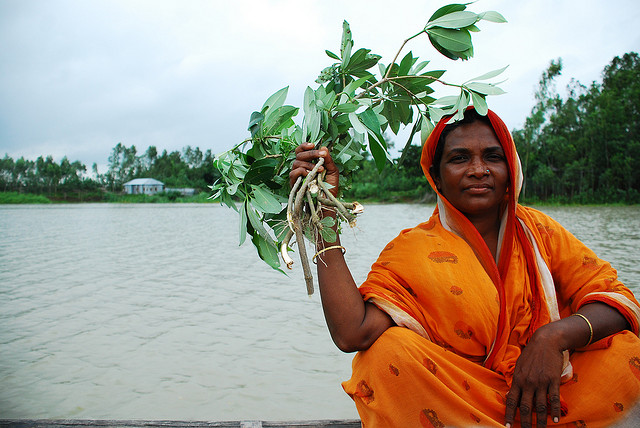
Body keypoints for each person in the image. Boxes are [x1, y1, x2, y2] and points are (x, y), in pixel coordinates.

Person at [289, 107, 640, 427]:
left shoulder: (540, 232)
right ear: (436, 177)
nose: (478, 170)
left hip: (549, 396)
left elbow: (617, 300)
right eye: (459, 158)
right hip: (458, 405)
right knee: (382, 356)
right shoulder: (413, 249)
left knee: (627, 351)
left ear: (510, 169)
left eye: (493, 156)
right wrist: (325, 218)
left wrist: (552, 338)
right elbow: (354, 333)